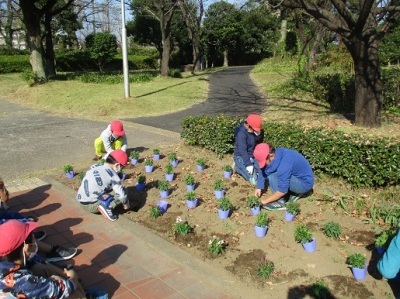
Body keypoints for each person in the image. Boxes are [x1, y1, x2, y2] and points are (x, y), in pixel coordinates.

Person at [0, 220, 85, 298]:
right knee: (62, 283)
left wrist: (63, 272)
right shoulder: (23, 282)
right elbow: (64, 289)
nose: (35, 240)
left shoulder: (6, 262)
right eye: (33, 237)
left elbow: (35, 265)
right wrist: (73, 276)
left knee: (40, 268)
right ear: (26, 247)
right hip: (32, 289)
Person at [253, 143, 314, 211]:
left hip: (304, 184)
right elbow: (264, 168)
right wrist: (259, 187)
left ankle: (280, 202)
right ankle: (292, 193)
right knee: (271, 173)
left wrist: (264, 201)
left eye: (264, 161)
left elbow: (282, 191)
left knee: (272, 175)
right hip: (296, 177)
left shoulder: (284, 164)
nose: (263, 164)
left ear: (270, 155)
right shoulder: (277, 153)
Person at [77, 149, 131, 221]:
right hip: (92, 206)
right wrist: (126, 205)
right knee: (123, 191)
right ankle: (105, 206)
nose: (122, 169)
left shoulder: (96, 166)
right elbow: (122, 196)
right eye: (122, 167)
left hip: (81, 200)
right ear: (117, 165)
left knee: (106, 188)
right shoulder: (114, 177)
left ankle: (101, 203)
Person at [233, 114, 264, 185]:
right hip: (241, 157)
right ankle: (237, 168)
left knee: (262, 172)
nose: (254, 131)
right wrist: (248, 164)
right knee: (253, 180)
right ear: (247, 125)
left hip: (252, 155)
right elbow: (242, 151)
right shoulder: (241, 134)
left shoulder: (252, 130)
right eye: (254, 129)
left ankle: (249, 168)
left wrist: (258, 135)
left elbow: (258, 142)